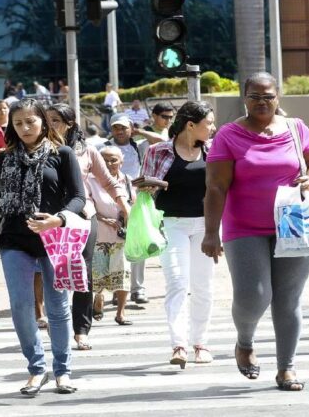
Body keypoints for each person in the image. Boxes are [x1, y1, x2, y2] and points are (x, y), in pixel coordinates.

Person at [204, 72, 309, 391]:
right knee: (253, 296)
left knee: (288, 299)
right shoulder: (228, 135)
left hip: (293, 223)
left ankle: (287, 368)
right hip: (244, 227)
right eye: (255, 96)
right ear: (244, 98)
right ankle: (245, 341)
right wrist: (210, 232)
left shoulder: (296, 128)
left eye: (268, 96)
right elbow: (216, 186)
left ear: (278, 97)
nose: (261, 102)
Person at [0, 98, 86, 395]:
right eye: (18, 123)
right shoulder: (4, 159)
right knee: (22, 308)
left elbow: (78, 198)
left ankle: (62, 371)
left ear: (43, 123)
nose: (24, 128)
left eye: (30, 122)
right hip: (14, 240)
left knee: (58, 307)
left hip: (54, 239)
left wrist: (58, 219)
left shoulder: (62, 154)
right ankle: (36, 369)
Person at [46, 102, 130, 351]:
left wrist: (124, 206)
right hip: (50, 219)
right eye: (47, 120)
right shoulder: (37, 149)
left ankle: (81, 330)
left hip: (82, 217)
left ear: (69, 124)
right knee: (54, 272)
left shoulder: (87, 151)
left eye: (56, 121)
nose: (50, 125)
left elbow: (110, 182)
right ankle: (57, 321)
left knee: (83, 272)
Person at [141, 101, 216, 369]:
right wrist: (150, 187)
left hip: (206, 226)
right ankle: (179, 344)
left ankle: (201, 343)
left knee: (202, 286)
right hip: (171, 224)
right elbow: (144, 189)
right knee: (176, 283)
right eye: (209, 123)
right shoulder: (158, 151)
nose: (212, 128)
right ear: (191, 125)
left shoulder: (213, 150)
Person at [104, 113, 149, 304]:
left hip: (135, 200)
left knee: (137, 246)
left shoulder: (139, 146)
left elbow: (164, 140)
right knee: (115, 247)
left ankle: (137, 288)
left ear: (130, 127)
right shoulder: (103, 148)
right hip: (109, 201)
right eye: (116, 127)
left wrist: (138, 131)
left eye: (123, 127)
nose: (119, 131)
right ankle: (118, 288)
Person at [90, 146, 136, 325]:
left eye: (113, 160)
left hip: (121, 237)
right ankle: (98, 298)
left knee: (122, 274)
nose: (109, 164)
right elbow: (86, 205)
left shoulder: (128, 181)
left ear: (121, 162)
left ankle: (121, 313)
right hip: (98, 235)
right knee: (98, 274)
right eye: (105, 160)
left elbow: (133, 205)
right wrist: (104, 219)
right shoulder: (90, 180)